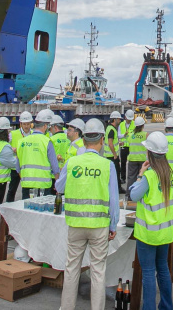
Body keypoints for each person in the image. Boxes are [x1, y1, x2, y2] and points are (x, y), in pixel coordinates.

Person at [57, 120, 119, 310]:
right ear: (102, 139)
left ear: (83, 140)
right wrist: (113, 225)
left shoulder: (72, 162)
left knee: (71, 268)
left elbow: (59, 187)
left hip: (75, 224)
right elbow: (114, 201)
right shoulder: (107, 166)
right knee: (98, 271)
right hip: (99, 226)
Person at [128, 131, 173, 310]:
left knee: (148, 272)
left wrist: (140, 173)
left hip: (148, 233)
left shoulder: (149, 176)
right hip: (165, 232)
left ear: (149, 153)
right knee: (163, 268)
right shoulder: (169, 173)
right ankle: (166, 306)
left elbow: (133, 195)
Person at [17, 109, 60, 199]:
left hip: (26, 185)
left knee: (27, 210)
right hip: (43, 185)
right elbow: (55, 167)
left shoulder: (22, 142)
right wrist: (58, 185)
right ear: (45, 126)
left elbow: (17, 167)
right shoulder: (47, 141)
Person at [7, 110, 34, 202]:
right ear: (21, 124)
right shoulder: (13, 134)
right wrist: (11, 149)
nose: (26, 126)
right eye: (24, 124)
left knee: (27, 190)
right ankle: (9, 207)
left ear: (31, 123)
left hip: (27, 166)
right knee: (12, 190)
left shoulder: (33, 134)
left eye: (28, 124)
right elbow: (4, 147)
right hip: (16, 166)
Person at [126, 116, 148, 190]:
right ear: (143, 125)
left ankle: (129, 195)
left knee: (131, 178)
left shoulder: (131, 135)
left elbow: (128, 143)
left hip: (132, 159)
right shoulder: (145, 134)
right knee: (142, 178)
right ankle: (140, 194)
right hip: (142, 159)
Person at [118, 109, 136, 184]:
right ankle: (123, 178)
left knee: (132, 163)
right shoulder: (121, 125)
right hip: (124, 146)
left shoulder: (134, 124)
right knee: (123, 163)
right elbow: (118, 135)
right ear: (125, 117)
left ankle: (131, 178)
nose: (129, 120)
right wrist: (123, 135)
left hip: (132, 147)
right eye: (128, 119)